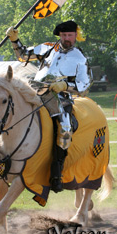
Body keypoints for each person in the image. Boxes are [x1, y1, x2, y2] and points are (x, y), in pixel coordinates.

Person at [6, 20, 92, 192]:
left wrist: (66, 86)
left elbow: (86, 83)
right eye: (64, 35)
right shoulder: (47, 48)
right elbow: (23, 55)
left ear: (76, 36)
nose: (67, 38)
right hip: (36, 89)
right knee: (7, 104)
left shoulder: (80, 57)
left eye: (70, 35)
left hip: (61, 96)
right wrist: (15, 40)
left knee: (65, 126)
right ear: (59, 36)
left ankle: (57, 171)